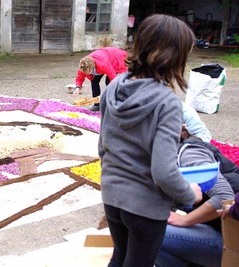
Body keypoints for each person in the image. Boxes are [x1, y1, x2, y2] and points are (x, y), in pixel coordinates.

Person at [98, 14, 202, 266]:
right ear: (176, 56)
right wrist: (190, 194)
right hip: (145, 208)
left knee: (120, 257)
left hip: (112, 197)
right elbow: (164, 172)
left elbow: (103, 148)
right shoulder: (167, 102)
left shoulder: (113, 87)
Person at [155, 126, 235, 267]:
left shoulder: (189, 153)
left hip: (232, 243)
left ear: (182, 132)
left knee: (144, 231)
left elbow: (225, 197)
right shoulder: (166, 160)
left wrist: (185, 220)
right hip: (220, 232)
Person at [73, 46, 127, 111]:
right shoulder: (83, 67)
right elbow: (79, 77)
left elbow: (113, 78)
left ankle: (112, 103)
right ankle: (97, 104)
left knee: (108, 82)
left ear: (92, 67)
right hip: (103, 57)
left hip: (114, 58)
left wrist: (106, 93)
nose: (86, 74)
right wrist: (78, 87)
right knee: (94, 81)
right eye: (85, 73)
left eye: (88, 72)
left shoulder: (103, 65)